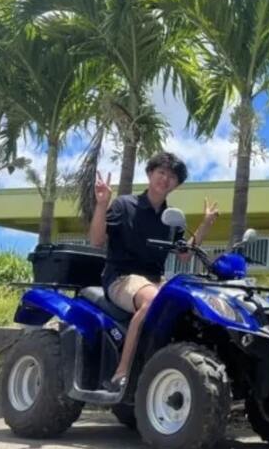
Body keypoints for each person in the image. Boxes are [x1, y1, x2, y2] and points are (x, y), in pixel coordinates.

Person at [89, 151, 219, 390]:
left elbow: (184, 254)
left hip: (156, 280)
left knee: (192, 304)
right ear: (150, 174)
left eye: (172, 176)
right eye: (161, 172)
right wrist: (102, 204)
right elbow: (97, 240)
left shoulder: (172, 218)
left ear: (176, 184)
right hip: (122, 278)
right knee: (153, 301)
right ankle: (122, 373)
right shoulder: (124, 205)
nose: (165, 179)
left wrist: (205, 224)